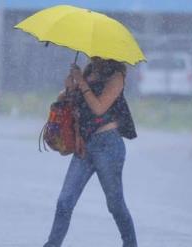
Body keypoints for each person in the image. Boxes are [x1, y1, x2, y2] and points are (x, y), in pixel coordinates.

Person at [43, 57, 138, 247]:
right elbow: (64, 99)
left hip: (108, 145)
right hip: (84, 146)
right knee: (65, 201)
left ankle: (130, 244)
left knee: (115, 205)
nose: (94, 55)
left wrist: (82, 82)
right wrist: (69, 87)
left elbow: (99, 107)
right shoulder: (87, 72)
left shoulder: (116, 76)